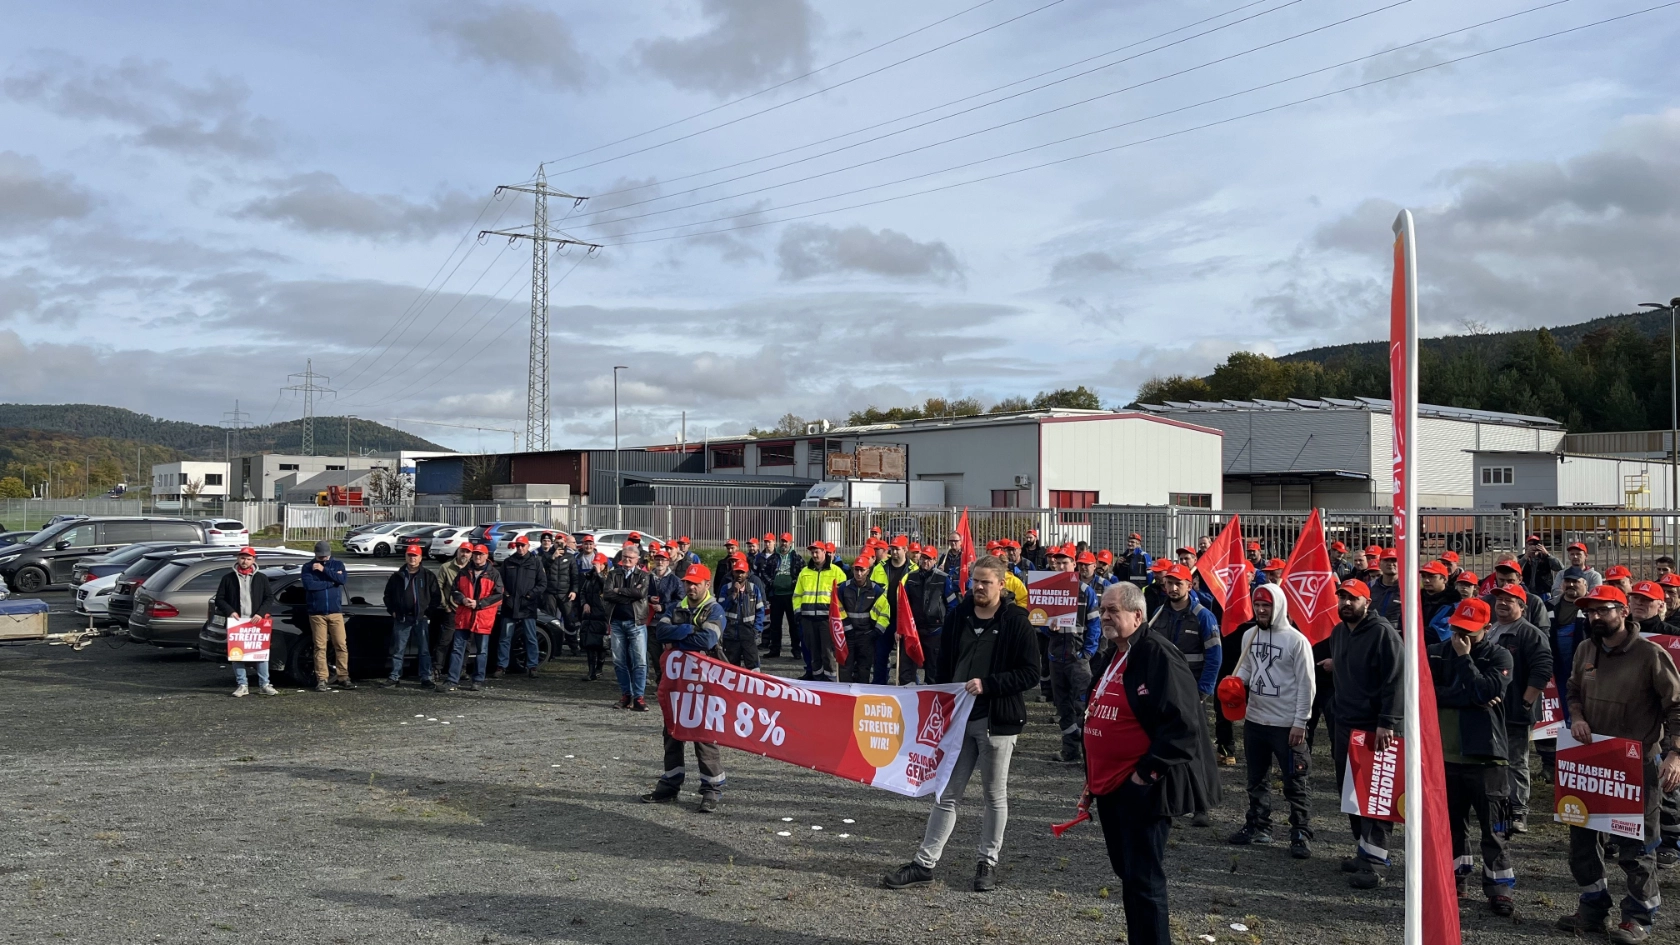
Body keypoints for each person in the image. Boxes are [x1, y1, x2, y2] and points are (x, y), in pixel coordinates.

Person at [882, 556, 1039, 894]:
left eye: (986, 582)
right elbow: (942, 665)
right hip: (958, 721)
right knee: (946, 792)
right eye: (976, 581)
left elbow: (1030, 674)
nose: (979, 587)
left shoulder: (1016, 622)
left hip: (996, 721)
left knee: (993, 795)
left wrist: (990, 684)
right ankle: (924, 864)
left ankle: (987, 863)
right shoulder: (959, 617)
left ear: (1002, 584)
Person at [1080, 580, 1206, 945]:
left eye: (1112, 611)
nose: (1104, 616)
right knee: (1129, 874)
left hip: (1141, 787)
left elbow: (1184, 725)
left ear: (1137, 615)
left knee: (1145, 878)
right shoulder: (1114, 652)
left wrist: (1144, 775)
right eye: (1102, 610)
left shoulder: (1158, 655)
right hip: (1109, 785)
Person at [1554, 586, 1680, 943]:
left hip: (1637, 764)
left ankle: (1639, 917)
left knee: (1636, 845)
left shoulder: (1650, 654)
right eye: (1589, 612)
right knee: (1582, 840)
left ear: (1623, 612)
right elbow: (1573, 689)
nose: (1594, 617)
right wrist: (1576, 716)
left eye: (1602, 610)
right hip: (1589, 760)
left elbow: (1676, 706)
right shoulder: (1585, 649)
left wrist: (1675, 754)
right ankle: (1592, 907)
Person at [1428, 597, 1519, 917]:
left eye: (1468, 631)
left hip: (1488, 757)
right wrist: (1469, 693)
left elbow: (1486, 691)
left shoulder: (1499, 654)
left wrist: (1466, 662)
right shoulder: (1436, 652)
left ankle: (1500, 888)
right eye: (1455, 629)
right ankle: (1456, 878)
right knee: (1452, 825)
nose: (1459, 637)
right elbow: (1426, 691)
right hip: (1446, 757)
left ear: (1488, 628)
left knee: (1496, 828)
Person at [1226, 583, 1316, 858]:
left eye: (1266, 605)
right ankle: (1258, 825)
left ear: (1278, 607)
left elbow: (1306, 684)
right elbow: (1248, 668)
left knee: (1295, 781)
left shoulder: (1297, 641)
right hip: (1255, 719)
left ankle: (1300, 832)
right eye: (1258, 605)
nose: (1261, 610)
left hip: (1286, 724)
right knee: (1256, 779)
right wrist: (1235, 684)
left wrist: (1300, 721)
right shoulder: (1250, 636)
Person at [1327, 579, 1403, 888]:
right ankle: (1363, 850)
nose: (1346, 603)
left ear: (1367, 602)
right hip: (1345, 723)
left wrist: (1388, 721)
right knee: (1352, 792)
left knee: (1376, 796)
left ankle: (1376, 863)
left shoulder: (1383, 633)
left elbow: (1396, 679)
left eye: (1353, 598)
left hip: (1375, 727)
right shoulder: (1339, 632)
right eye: (1342, 597)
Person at [643, 565, 728, 812]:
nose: (690, 587)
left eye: (695, 583)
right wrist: (689, 629)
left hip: (705, 684)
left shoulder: (715, 609)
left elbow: (708, 640)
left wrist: (678, 638)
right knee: (672, 732)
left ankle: (711, 790)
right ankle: (670, 785)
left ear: (706, 584)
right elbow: (660, 632)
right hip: (678, 684)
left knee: (703, 734)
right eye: (687, 583)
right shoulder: (677, 607)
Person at [1485, 583, 1552, 836]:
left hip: (1515, 710)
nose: (1502, 603)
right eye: (1499, 599)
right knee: (1493, 759)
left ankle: (1518, 811)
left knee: (1515, 761)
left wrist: (1526, 701)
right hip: (1491, 710)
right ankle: (1498, 806)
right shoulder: (1491, 630)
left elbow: (1543, 668)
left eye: (1509, 600)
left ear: (1522, 607)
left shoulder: (1530, 633)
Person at [1045, 548, 1101, 764]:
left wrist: (1087, 652)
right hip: (1055, 656)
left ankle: (1089, 753)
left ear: (1074, 565)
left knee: (1083, 705)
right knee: (1063, 706)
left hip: (1077, 658)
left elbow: (1095, 624)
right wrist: (1049, 629)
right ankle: (1070, 751)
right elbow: (1039, 621)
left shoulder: (1086, 591)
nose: (1060, 567)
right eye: (1057, 563)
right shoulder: (1048, 587)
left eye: (1064, 563)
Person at [214, 547, 277, 697]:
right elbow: (220, 599)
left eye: (248, 559)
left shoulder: (261, 578)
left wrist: (260, 614)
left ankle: (265, 684)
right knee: (237, 655)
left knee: (260, 654)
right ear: (237, 558)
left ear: (253, 560)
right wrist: (231, 611)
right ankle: (242, 685)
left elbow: (269, 597)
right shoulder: (228, 578)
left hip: (257, 623)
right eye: (242, 558)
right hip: (238, 623)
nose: (245, 561)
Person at [380, 543, 440, 690]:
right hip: (402, 618)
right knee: (398, 649)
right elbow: (387, 595)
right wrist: (392, 610)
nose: (412, 558)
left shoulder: (428, 576)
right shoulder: (397, 576)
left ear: (420, 558)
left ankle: (426, 677)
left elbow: (436, 596)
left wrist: (428, 613)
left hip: (421, 619)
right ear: (406, 556)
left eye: (415, 555)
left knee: (424, 650)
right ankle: (394, 677)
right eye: (410, 555)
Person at [445, 544, 503, 691]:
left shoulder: (494, 573)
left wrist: (479, 603)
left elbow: (498, 596)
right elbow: (454, 590)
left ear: (486, 556)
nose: (478, 557)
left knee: (481, 651)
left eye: (481, 554)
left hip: (483, 618)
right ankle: (452, 680)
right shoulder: (464, 572)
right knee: (457, 649)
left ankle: (477, 680)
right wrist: (463, 599)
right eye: (476, 554)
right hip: (464, 616)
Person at [603, 543, 651, 711]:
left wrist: (619, 591)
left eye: (630, 558)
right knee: (619, 661)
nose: (627, 560)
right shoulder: (613, 574)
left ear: (638, 560)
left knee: (640, 661)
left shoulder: (644, 576)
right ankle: (626, 695)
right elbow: (607, 594)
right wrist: (628, 594)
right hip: (616, 623)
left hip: (636, 623)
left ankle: (638, 697)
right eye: (624, 557)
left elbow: (641, 594)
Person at [300, 539, 353, 692]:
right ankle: (322, 678)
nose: (324, 559)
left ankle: (343, 677)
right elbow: (310, 586)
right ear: (315, 554)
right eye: (321, 556)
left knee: (341, 645)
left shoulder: (338, 565)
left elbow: (342, 580)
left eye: (326, 556)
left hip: (335, 613)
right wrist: (331, 582)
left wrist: (325, 571)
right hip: (317, 613)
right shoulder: (308, 567)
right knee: (320, 647)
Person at [794, 540, 847, 682]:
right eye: (812, 552)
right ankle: (818, 683)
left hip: (827, 621)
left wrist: (839, 618)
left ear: (825, 552)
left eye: (817, 551)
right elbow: (797, 595)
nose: (814, 555)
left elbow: (844, 597)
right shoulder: (804, 572)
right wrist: (798, 613)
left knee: (828, 654)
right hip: (808, 620)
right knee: (814, 654)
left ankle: (830, 684)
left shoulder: (836, 572)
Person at [494, 535, 547, 678]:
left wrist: (530, 595)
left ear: (528, 546)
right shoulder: (508, 562)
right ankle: (501, 666)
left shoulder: (536, 563)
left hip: (527, 606)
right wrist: (507, 597)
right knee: (505, 637)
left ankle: (532, 666)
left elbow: (542, 584)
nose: (520, 548)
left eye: (523, 545)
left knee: (530, 637)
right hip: (510, 607)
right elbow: (500, 583)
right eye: (518, 546)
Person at [870, 536, 919, 684]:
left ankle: (909, 685)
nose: (894, 552)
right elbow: (871, 591)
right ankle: (879, 685)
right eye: (892, 549)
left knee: (906, 658)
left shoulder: (914, 570)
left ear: (905, 550)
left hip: (903, 621)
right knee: (880, 656)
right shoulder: (879, 567)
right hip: (883, 619)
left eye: (898, 549)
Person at [837, 556, 889, 683]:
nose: (859, 573)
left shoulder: (877, 590)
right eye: (856, 570)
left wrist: (876, 632)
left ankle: (861, 697)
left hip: (866, 636)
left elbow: (885, 612)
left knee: (864, 668)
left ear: (868, 571)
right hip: (848, 635)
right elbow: (838, 609)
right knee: (845, 666)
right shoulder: (844, 588)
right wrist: (847, 628)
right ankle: (845, 695)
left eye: (862, 570)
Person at [904, 545, 949, 675]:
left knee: (933, 671)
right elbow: (904, 604)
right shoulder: (911, 577)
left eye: (929, 559)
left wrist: (946, 627)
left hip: (935, 631)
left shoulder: (943, 578)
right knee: (907, 672)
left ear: (935, 560)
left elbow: (952, 605)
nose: (925, 561)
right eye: (923, 558)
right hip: (914, 631)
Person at [718, 552, 766, 670]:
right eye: (737, 572)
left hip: (749, 635)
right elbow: (720, 609)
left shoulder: (754, 589)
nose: (739, 575)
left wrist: (756, 630)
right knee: (731, 669)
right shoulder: (726, 589)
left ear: (747, 573)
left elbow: (760, 611)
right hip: (730, 636)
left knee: (754, 668)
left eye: (742, 572)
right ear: (733, 572)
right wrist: (733, 596)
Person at [761, 532, 803, 660]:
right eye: (782, 541)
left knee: (793, 624)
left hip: (791, 596)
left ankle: (796, 650)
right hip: (776, 595)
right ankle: (774, 649)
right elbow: (764, 572)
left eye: (786, 541)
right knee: (775, 624)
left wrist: (795, 582)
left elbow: (803, 572)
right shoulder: (773, 558)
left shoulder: (796, 557)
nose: (784, 543)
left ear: (791, 543)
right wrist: (771, 583)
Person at [540, 531, 578, 655]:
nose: (559, 545)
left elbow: (574, 575)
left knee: (569, 620)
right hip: (550, 592)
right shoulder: (547, 555)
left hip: (565, 592)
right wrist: (553, 557)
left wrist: (574, 590)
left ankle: (573, 646)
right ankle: (551, 647)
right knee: (550, 620)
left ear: (565, 543)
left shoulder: (570, 557)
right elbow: (542, 568)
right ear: (554, 543)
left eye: (561, 543)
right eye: (557, 543)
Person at [577, 552, 610, 681]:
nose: (595, 566)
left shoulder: (608, 577)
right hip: (590, 615)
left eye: (598, 564)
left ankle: (599, 669)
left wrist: (599, 574)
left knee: (601, 644)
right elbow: (583, 591)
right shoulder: (590, 578)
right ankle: (591, 671)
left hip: (602, 614)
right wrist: (584, 603)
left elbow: (607, 589)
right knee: (589, 643)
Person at [1522, 534, 1564, 600]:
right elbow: (1516, 570)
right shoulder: (1522, 558)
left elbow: (1560, 567)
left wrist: (1547, 554)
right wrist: (1525, 557)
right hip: (1526, 592)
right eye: (1530, 544)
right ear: (1526, 546)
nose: (1533, 547)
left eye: (1536, 544)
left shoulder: (1546, 558)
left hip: (1543, 592)